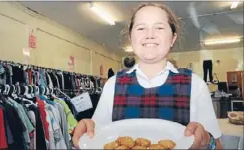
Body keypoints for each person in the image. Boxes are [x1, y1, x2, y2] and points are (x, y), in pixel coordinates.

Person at [73, 2, 223, 149]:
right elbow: (98, 137)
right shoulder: (113, 84)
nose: (150, 35)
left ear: (172, 38)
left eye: (159, 27)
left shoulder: (195, 85)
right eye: (141, 28)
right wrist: (88, 130)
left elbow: (218, 147)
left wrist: (207, 142)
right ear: (131, 38)